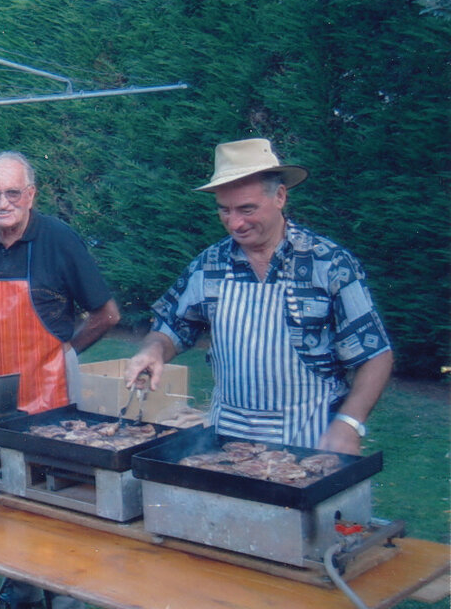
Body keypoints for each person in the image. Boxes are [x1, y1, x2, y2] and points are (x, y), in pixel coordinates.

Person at [125, 138, 393, 455]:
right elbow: (171, 329)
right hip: (227, 443)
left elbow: (376, 355)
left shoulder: (329, 265)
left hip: (310, 441)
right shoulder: (209, 266)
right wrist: (154, 350)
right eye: (224, 211)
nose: (235, 223)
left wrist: (349, 422)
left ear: (280, 196)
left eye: (247, 209)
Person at [0, 151, 119, 609]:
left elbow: (107, 314)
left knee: (54, 503)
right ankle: (19, 593)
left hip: (52, 396)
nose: (3, 202)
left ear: (31, 194)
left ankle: (66, 596)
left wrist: (67, 353)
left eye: (12, 192)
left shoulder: (60, 239)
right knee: (2, 497)